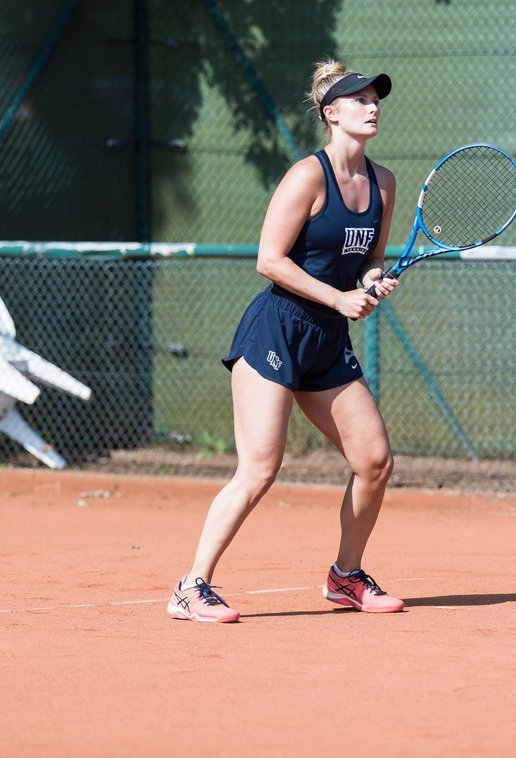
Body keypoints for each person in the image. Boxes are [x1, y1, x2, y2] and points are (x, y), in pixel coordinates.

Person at [167, 60, 406, 623]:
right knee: (259, 468)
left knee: (374, 460)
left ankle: (346, 577)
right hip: (276, 329)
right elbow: (268, 261)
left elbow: (368, 258)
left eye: (376, 98)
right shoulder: (307, 177)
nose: (372, 106)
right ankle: (190, 586)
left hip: (326, 339)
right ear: (331, 113)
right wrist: (340, 297)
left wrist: (371, 281)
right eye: (359, 99)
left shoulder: (384, 183)